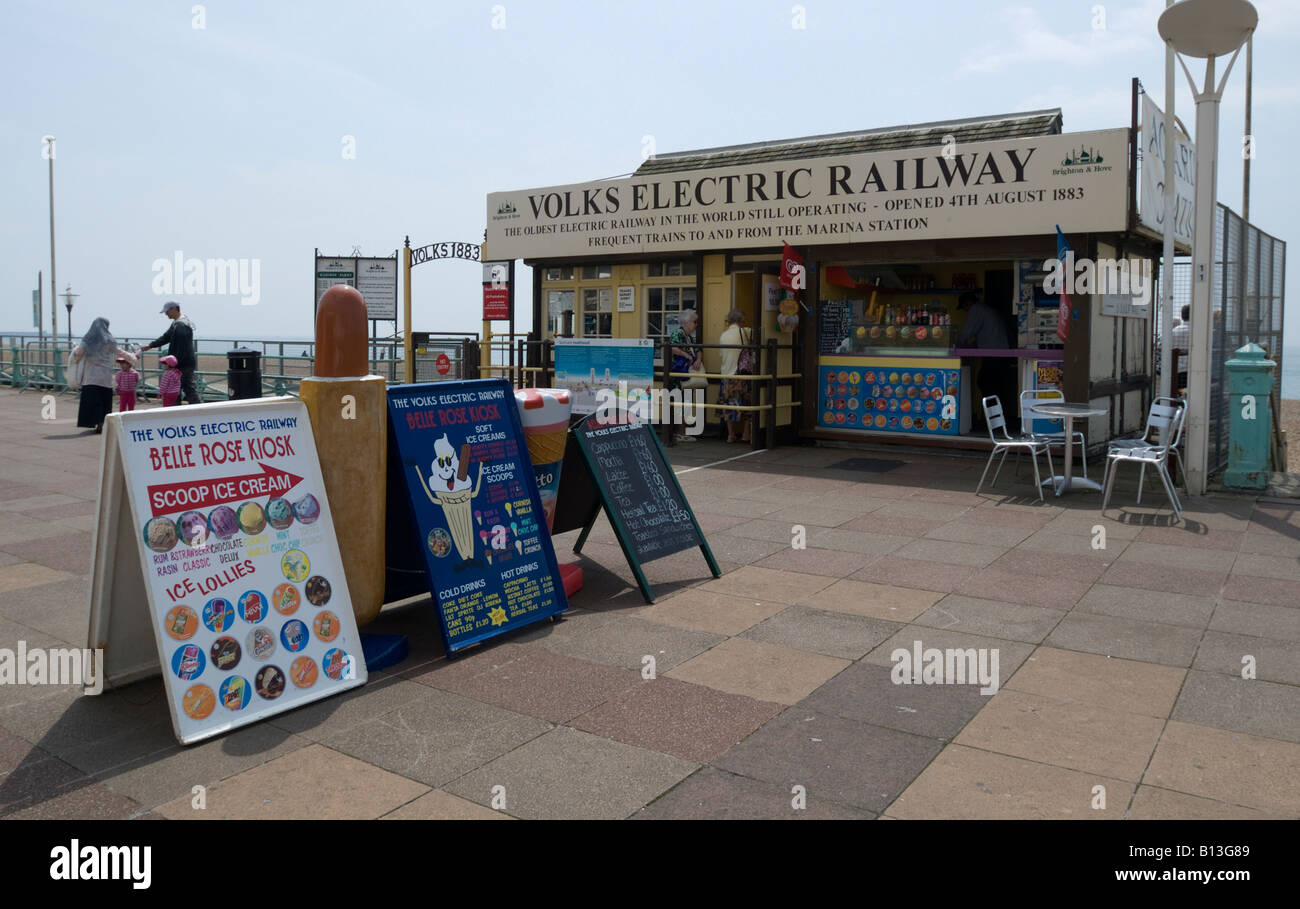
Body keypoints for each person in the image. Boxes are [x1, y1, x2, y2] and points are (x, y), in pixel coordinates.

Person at [956, 292, 1018, 432]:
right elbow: (982, 336)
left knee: (985, 383)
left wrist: (957, 345)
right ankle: (997, 421)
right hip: (1001, 354)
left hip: (994, 354)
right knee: (995, 386)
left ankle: (994, 422)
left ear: (967, 304)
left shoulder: (976, 310)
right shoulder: (988, 310)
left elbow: (968, 332)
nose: (966, 312)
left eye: (964, 308)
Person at [70, 318, 135, 433]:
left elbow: (79, 353)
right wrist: (132, 358)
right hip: (105, 375)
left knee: (92, 400)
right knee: (104, 400)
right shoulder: (109, 339)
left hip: (90, 376)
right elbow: (119, 352)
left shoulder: (88, 338)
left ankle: (93, 421)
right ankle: (102, 423)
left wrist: (74, 354)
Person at [142, 301, 199, 404]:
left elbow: (182, 348)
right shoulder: (177, 323)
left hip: (182, 364)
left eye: (167, 311)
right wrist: (150, 345)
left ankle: (195, 412)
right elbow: (166, 337)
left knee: (185, 388)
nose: (166, 313)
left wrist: (173, 364)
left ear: (174, 309)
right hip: (182, 362)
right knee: (182, 388)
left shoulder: (181, 325)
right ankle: (193, 412)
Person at [667, 308, 702, 442]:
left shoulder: (689, 337)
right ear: (686, 322)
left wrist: (698, 359)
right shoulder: (678, 333)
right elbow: (673, 347)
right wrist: (686, 355)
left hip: (686, 372)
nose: (696, 324)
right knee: (680, 402)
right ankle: (680, 433)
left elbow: (698, 349)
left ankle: (682, 432)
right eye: (694, 322)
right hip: (679, 373)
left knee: (684, 402)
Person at [718, 309, 754, 443]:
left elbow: (721, 355)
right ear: (741, 321)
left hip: (726, 374)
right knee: (747, 405)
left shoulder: (723, 335)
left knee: (729, 406)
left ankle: (730, 435)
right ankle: (746, 434)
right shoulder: (745, 332)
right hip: (741, 375)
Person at [1171, 304, 1190, 394]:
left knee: (1177, 395)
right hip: (1191, 370)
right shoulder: (1195, 331)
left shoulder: (1174, 331)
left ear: (1182, 316)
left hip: (1176, 370)